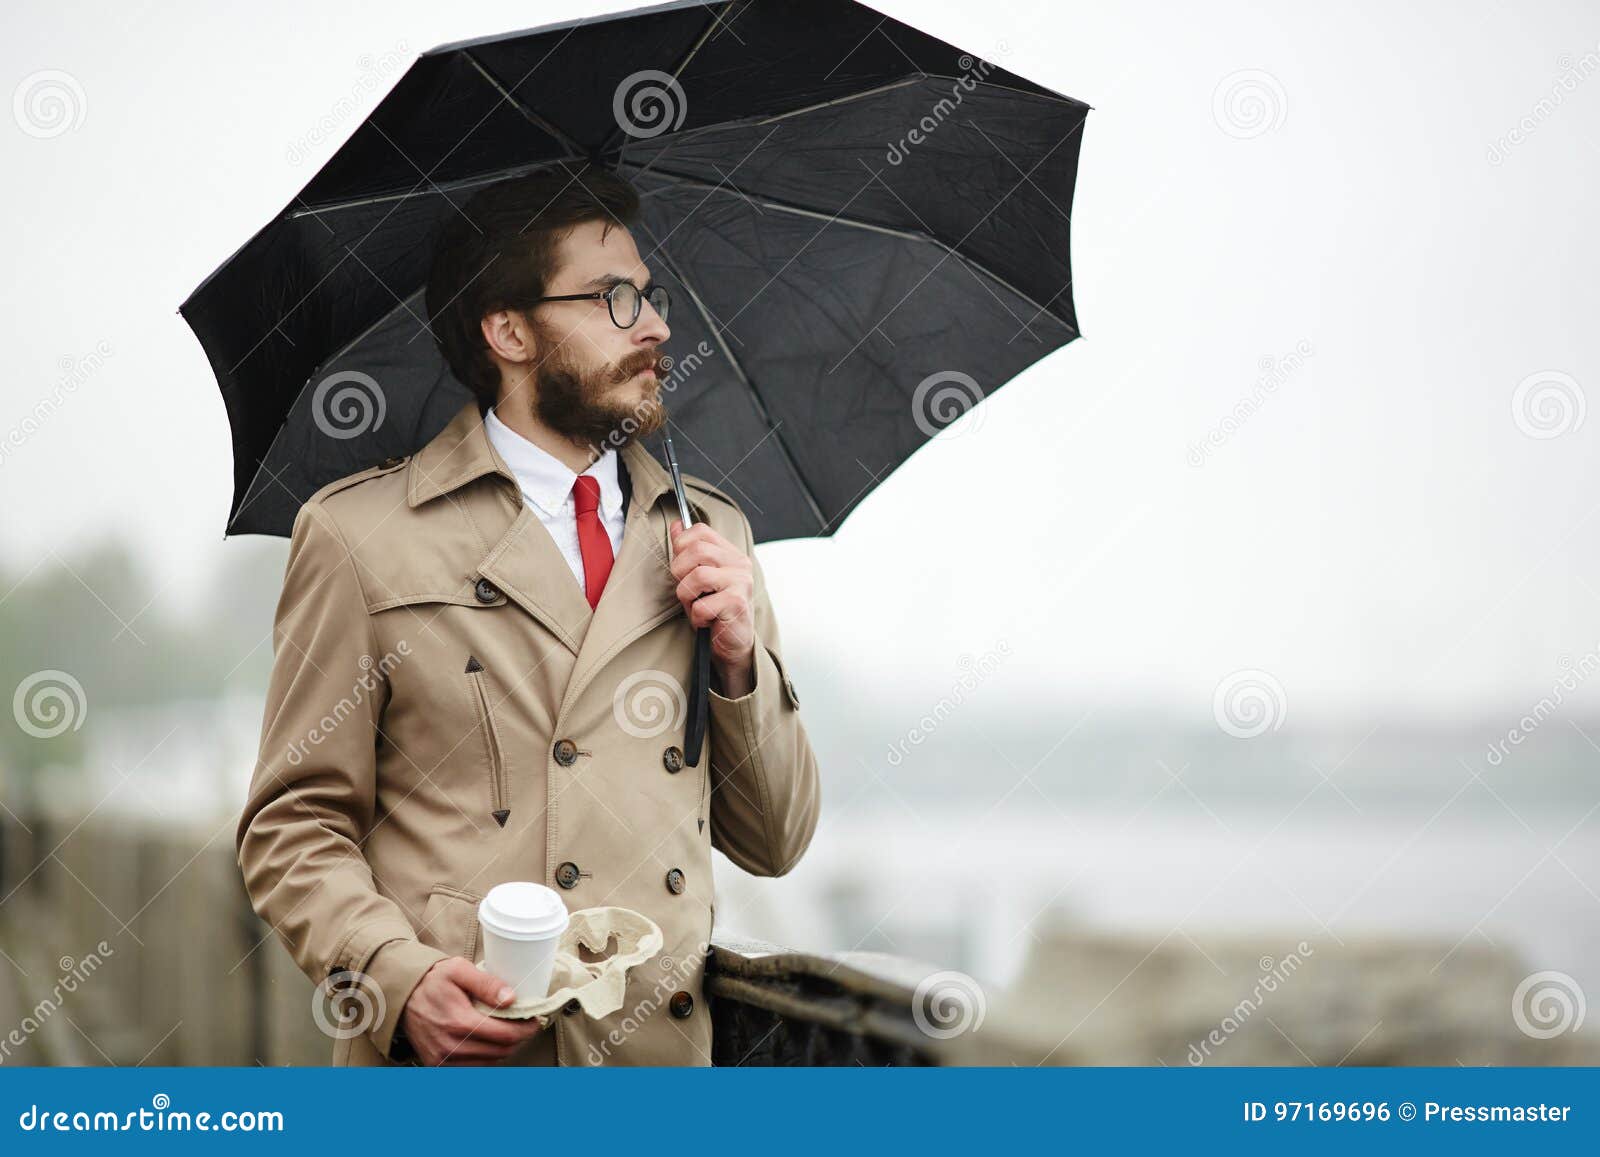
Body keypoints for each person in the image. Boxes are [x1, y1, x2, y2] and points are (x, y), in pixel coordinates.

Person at [235, 162, 821, 1066]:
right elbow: (293, 824)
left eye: (651, 296)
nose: (659, 326)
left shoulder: (711, 532)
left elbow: (776, 840)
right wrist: (391, 975)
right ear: (509, 330)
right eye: (615, 299)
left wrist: (741, 662)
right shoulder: (360, 536)